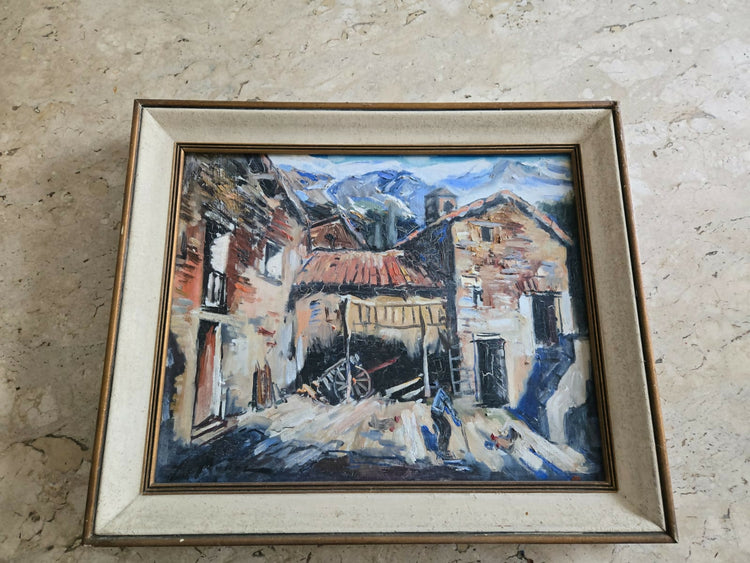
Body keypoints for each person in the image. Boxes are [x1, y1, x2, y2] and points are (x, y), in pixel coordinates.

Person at [431, 387, 461, 459]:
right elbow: (450, 407)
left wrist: (453, 412)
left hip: (436, 413)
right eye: (449, 389)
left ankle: (442, 450)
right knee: (446, 430)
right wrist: (456, 419)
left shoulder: (440, 392)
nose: (450, 391)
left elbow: (447, 408)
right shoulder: (444, 395)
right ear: (447, 389)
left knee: (445, 429)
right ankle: (442, 451)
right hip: (437, 414)